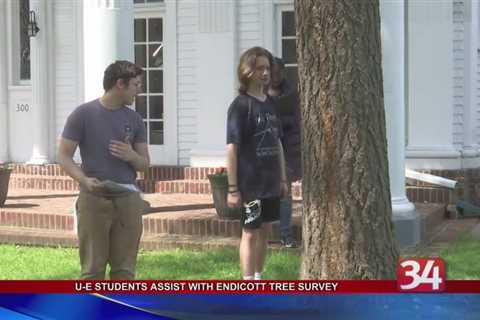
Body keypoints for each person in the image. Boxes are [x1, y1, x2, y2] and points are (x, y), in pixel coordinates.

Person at [57, 60, 149, 280]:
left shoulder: (134, 119)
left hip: (128, 199)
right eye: (136, 85)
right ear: (120, 84)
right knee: (92, 271)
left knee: (124, 272)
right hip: (93, 197)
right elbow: (63, 156)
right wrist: (84, 180)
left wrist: (131, 156)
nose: (139, 90)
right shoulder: (83, 114)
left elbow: (144, 164)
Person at [226, 47, 288, 280]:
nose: (265, 73)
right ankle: (247, 281)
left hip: (271, 183)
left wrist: (282, 178)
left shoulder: (271, 103)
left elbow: (278, 142)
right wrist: (233, 189)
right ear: (247, 71)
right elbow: (232, 147)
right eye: (259, 68)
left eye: (267, 68)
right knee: (250, 233)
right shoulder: (240, 106)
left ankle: (259, 278)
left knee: (265, 232)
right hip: (250, 185)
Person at [268, 57, 302, 248]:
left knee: (285, 192)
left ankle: (286, 234)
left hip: (286, 150)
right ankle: (256, 232)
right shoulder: (259, 94)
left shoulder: (291, 94)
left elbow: (297, 121)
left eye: (279, 72)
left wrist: (280, 124)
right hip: (263, 150)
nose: (275, 76)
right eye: (272, 72)